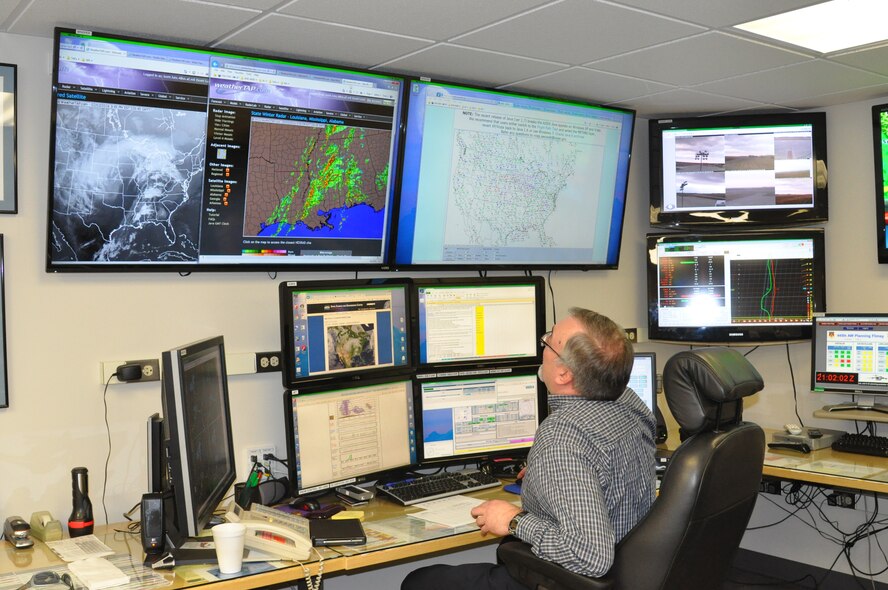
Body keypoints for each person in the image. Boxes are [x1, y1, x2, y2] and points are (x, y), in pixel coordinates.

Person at [401, 307, 657, 590]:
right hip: (631, 572)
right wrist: (543, 473)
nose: (543, 344)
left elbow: (590, 557)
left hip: (572, 580)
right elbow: (604, 466)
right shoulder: (632, 406)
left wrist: (514, 521)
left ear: (563, 374)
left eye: (548, 341)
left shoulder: (563, 437)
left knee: (420, 582)